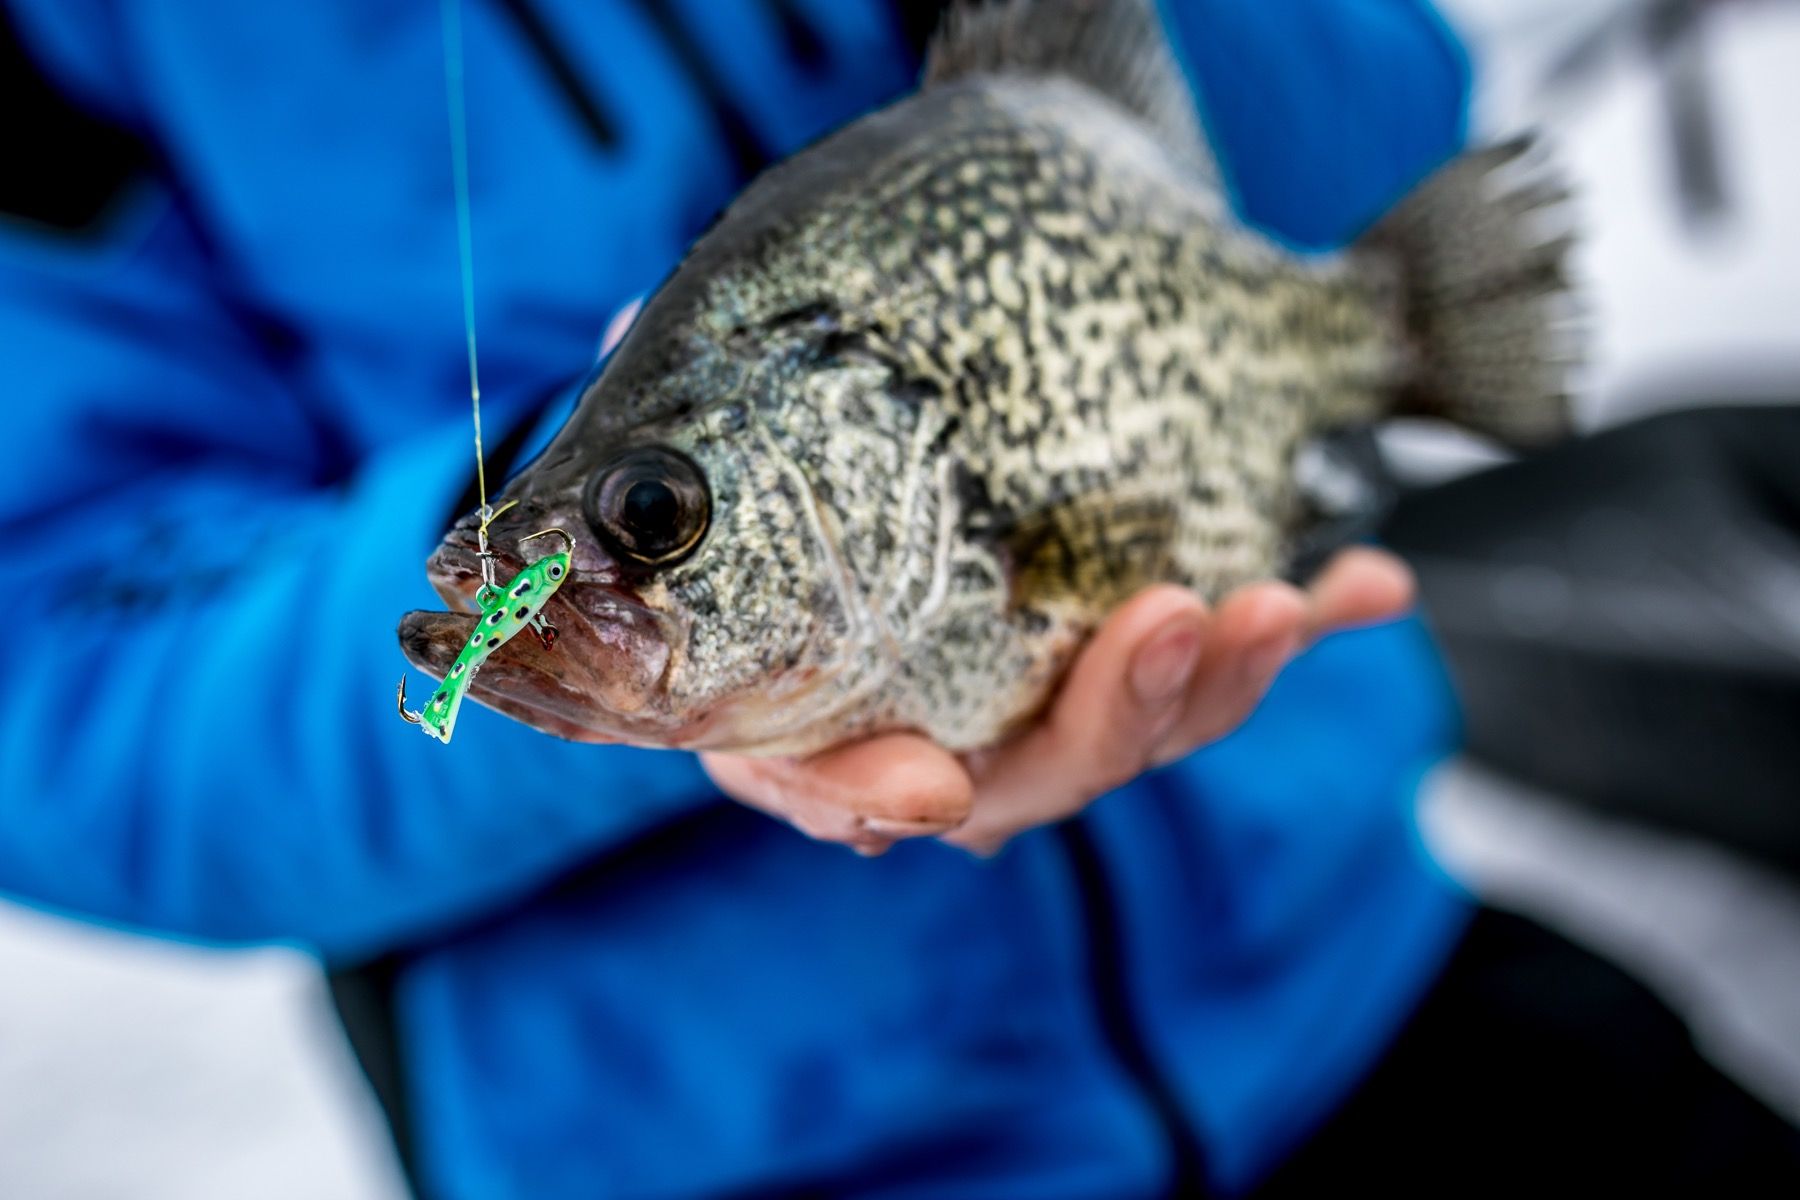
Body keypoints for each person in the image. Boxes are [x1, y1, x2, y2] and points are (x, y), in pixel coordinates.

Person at [1, 1, 1794, 1196]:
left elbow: (1386, 107)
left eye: (654, 520)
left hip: (1355, 973)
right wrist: (594, 561)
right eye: (658, 517)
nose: (616, 564)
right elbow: (64, 683)